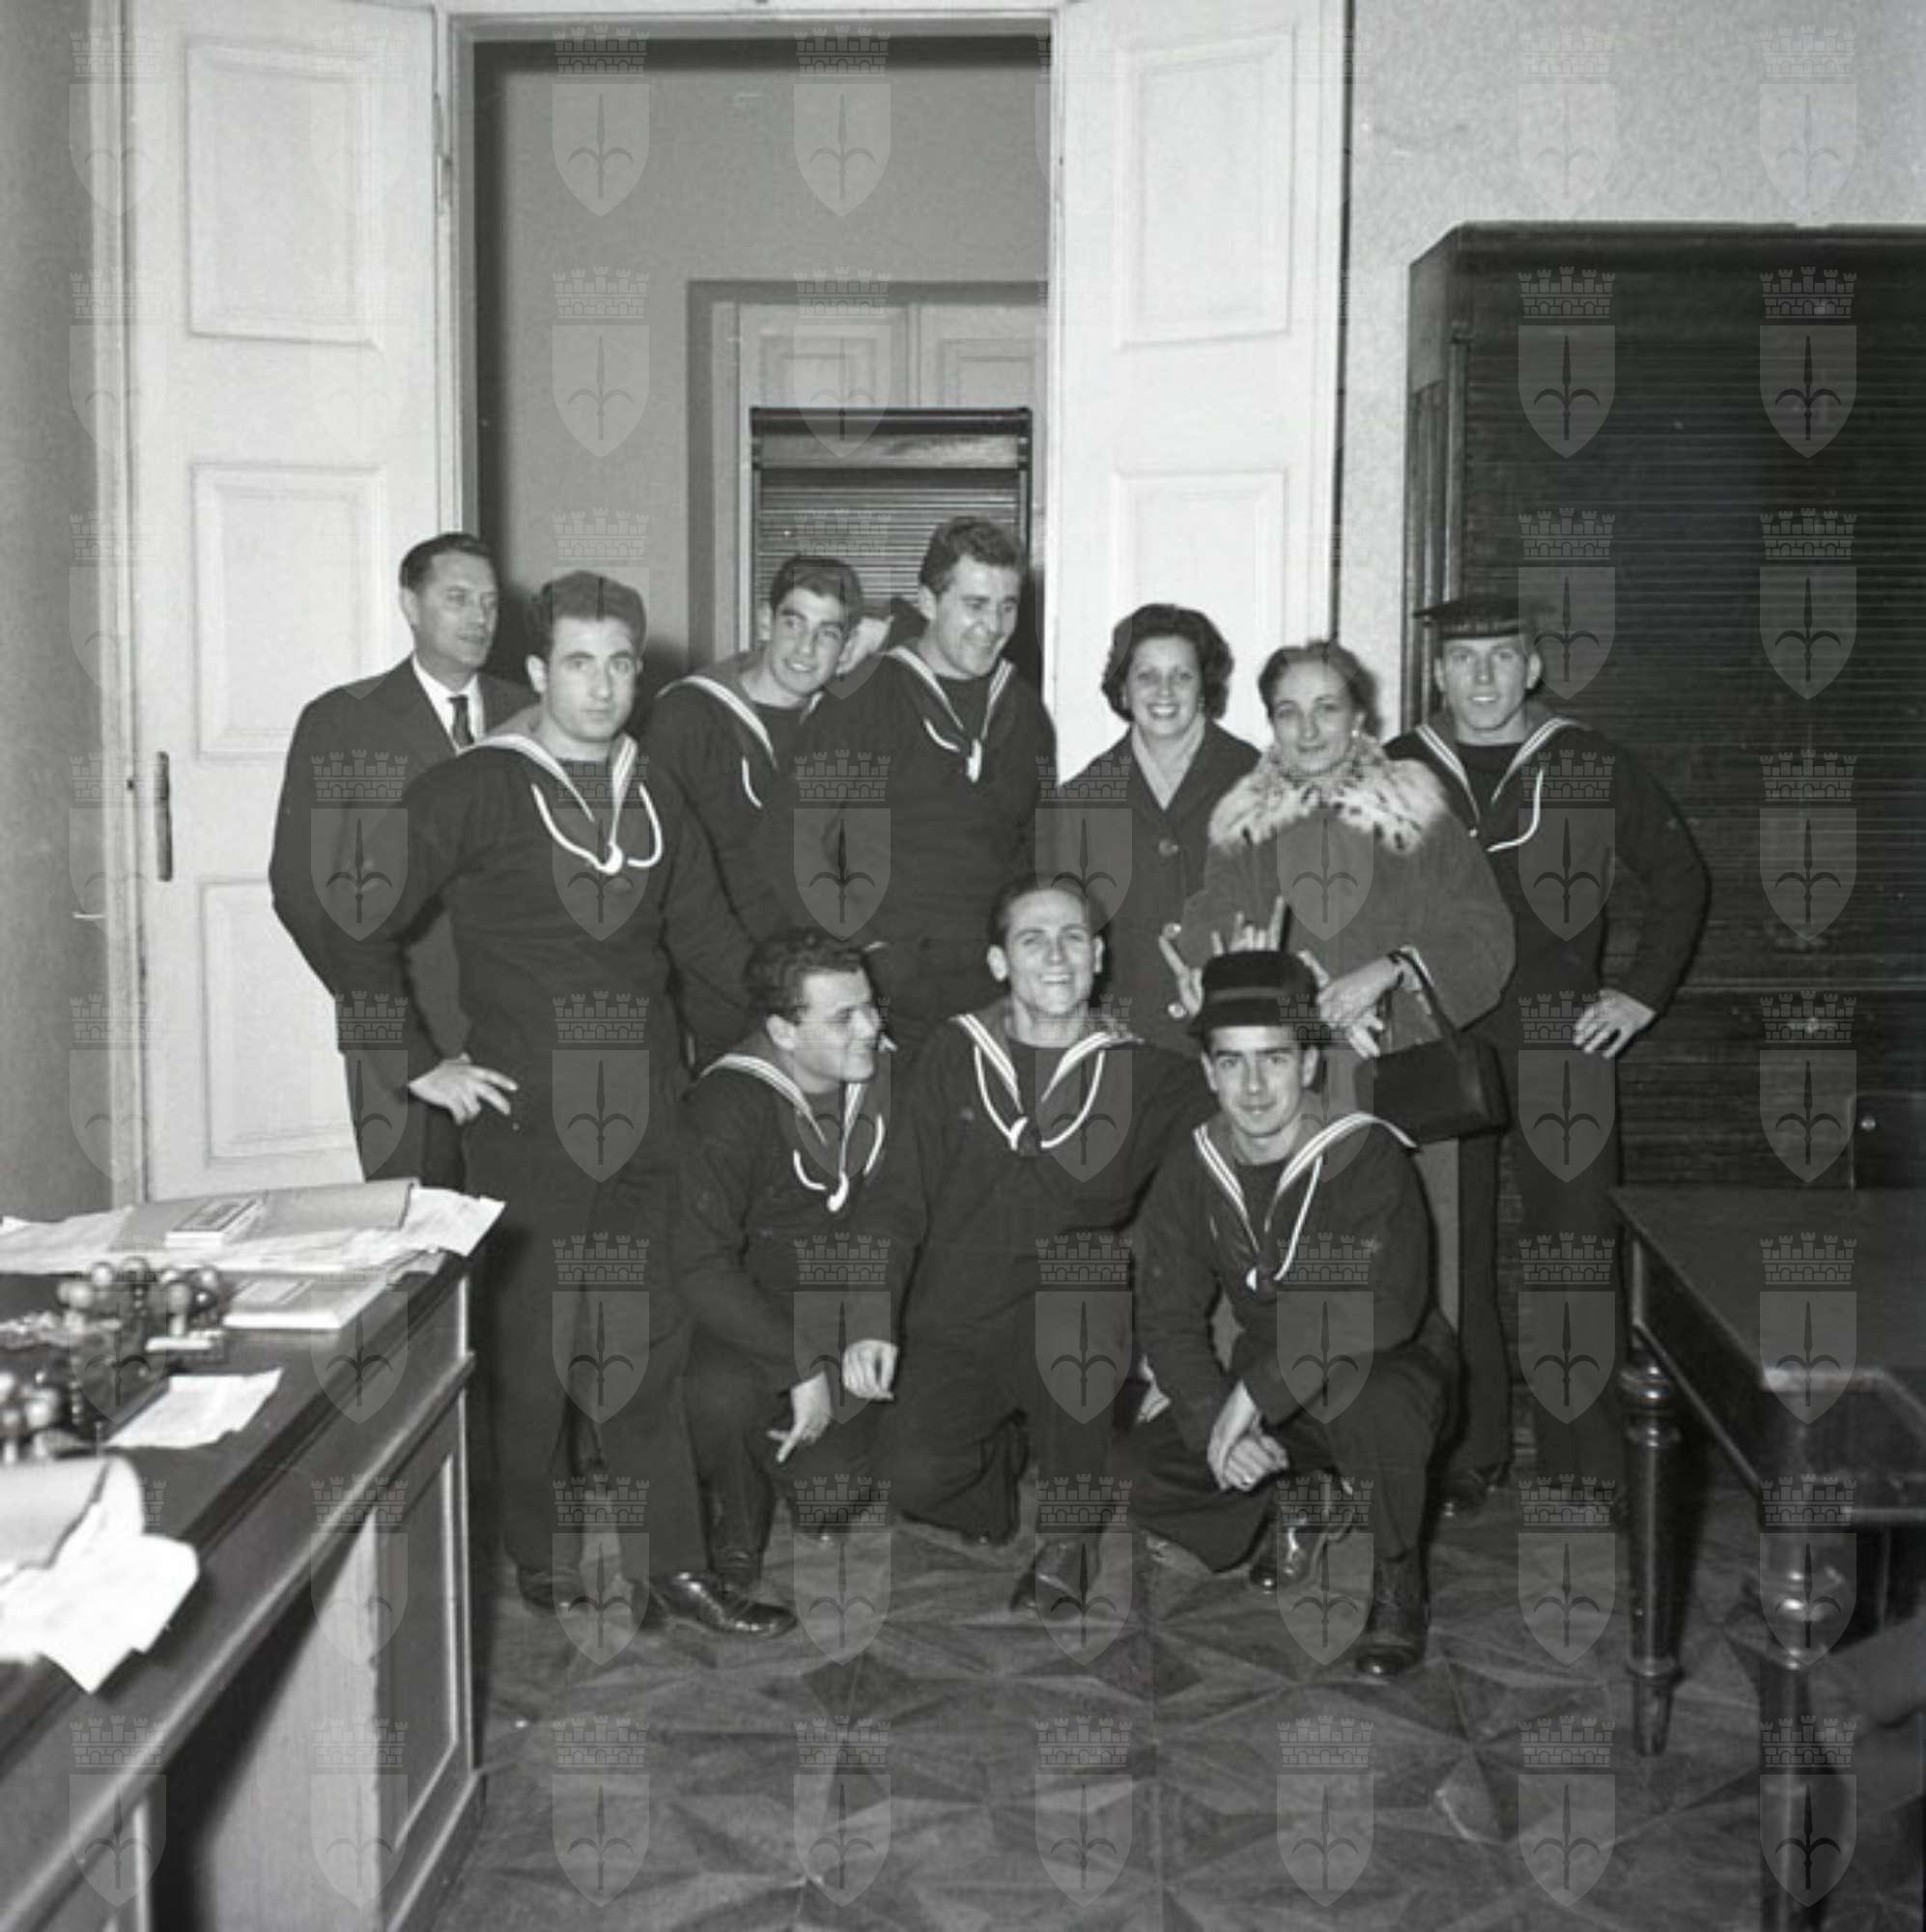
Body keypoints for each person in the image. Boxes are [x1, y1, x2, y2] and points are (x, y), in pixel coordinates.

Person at [326, 569, 792, 1636]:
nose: (602, 685)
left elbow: (709, 943)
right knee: (536, 1346)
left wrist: (798, 1020)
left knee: (648, 1341)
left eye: (621, 662)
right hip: (526, 1114)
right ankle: (537, 1556)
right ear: (536, 670)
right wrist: (413, 1060)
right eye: (579, 662)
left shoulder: (654, 788)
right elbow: (354, 919)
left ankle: (672, 1565)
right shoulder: (475, 786)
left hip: (648, 1105)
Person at [1388, 594, 1707, 1513]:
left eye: (1502, 656)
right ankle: (1467, 1451)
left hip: (1563, 1039)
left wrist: (1638, 995)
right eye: (1464, 659)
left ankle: (1586, 1466)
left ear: (1532, 666)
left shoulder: (1588, 760)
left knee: (1574, 1253)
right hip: (1438, 1037)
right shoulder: (1400, 767)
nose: (1483, 675)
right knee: (1450, 1256)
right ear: (1438, 673)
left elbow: (1681, 876)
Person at [839, 875, 1214, 1610]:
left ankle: (1068, 1537)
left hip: (1072, 1308)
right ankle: (999, 1475)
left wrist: (1216, 1021)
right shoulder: (953, 1052)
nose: (1057, 956)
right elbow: (897, 1196)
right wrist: (871, 1316)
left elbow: (1247, 1119)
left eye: (1074, 938)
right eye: (1032, 940)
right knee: (913, 1476)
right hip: (959, 1307)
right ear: (998, 961)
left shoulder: (1143, 1071)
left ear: (1099, 956)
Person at [1125, 950, 1457, 1679]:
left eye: (1273, 1059)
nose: (1253, 1087)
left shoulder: (1362, 1149)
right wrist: (1214, 1420)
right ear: (1208, 1071)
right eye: (1232, 1062)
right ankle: (1299, 1494)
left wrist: (1252, 1397)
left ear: (1308, 1064)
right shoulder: (1192, 1166)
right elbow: (1169, 1316)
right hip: (1276, 1380)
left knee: (1373, 1404)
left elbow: (1380, 1309)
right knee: (1145, 1469)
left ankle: (1398, 1577)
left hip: (1384, 1363)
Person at [269, 533, 529, 1186]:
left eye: (490, 603)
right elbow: (302, 890)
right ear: (410, 605)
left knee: (521, 1223)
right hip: (402, 1033)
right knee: (413, 1219)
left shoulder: (532, 716)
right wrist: (388, 1027)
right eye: (457, 599)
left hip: (518, 1027)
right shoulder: (342, 721)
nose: (479, 618)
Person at [1171, 640, 1515, 1117]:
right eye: (1289, 712)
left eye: (1327, 708)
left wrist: (1392, 970)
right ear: (1273, 724)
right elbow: (1211, 940)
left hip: (1402, 1073)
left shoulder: (1421, 819)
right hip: (1280, 1088)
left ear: (1358, 718)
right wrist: (1306, 1002)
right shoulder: (1242, 832)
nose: (1308, 729)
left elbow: (1485, 934)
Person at [782, 518, 1053, 1055]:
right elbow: (793, 846)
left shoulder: (1024, 711)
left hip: (994, 986)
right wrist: (861, 958)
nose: (993, 626)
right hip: (890, 990)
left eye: (1007, 607)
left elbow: (1034, 847)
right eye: (974, 605)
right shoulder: (859, 702)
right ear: (928, 602)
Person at [674, 929, 892, 1590]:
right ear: (783, 1031)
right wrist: (794, 1363)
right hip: (757, 1310)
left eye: (871, 1007)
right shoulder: (726, 1102)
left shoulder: (896, 1078)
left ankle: (804, 1464)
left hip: (858, 1309)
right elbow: (699, 1263)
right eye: (844, 1018)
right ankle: (737, 1526)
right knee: (718, 1399)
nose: (871, 1028)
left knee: (829, 1494)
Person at [643, 554, 868, 1063]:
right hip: (718, 994)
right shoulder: (688, 716)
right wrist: (767, 992)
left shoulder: (843, 725)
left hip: (817, 993)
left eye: (828, 634)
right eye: (793, 623)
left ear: (849, 646)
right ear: (766, 622)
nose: (805, 649)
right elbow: (666, 881)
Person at [1049, 604, 1260, 1054]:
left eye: (1182, 676)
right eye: (1146, 676)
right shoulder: (1080, 800)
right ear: (1123, 690)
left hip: (1237, 1040)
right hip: (1123, 1045)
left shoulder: (1259, 782)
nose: (1164, 691)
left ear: (1204, 688)